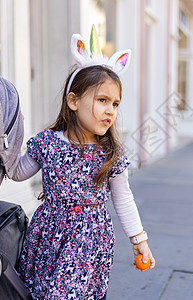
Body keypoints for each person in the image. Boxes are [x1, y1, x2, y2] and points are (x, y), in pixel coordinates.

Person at [12, 26, 156, 299]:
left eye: (115, 104)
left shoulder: (109, 152)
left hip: (89, 239)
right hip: (48, 235)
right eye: (102, 100)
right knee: (42, 292)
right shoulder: (47, 142)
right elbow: (18, 172)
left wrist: (139, 239)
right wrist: (6, 146)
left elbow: (123, 198)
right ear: (73, 101)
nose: (110, 110)